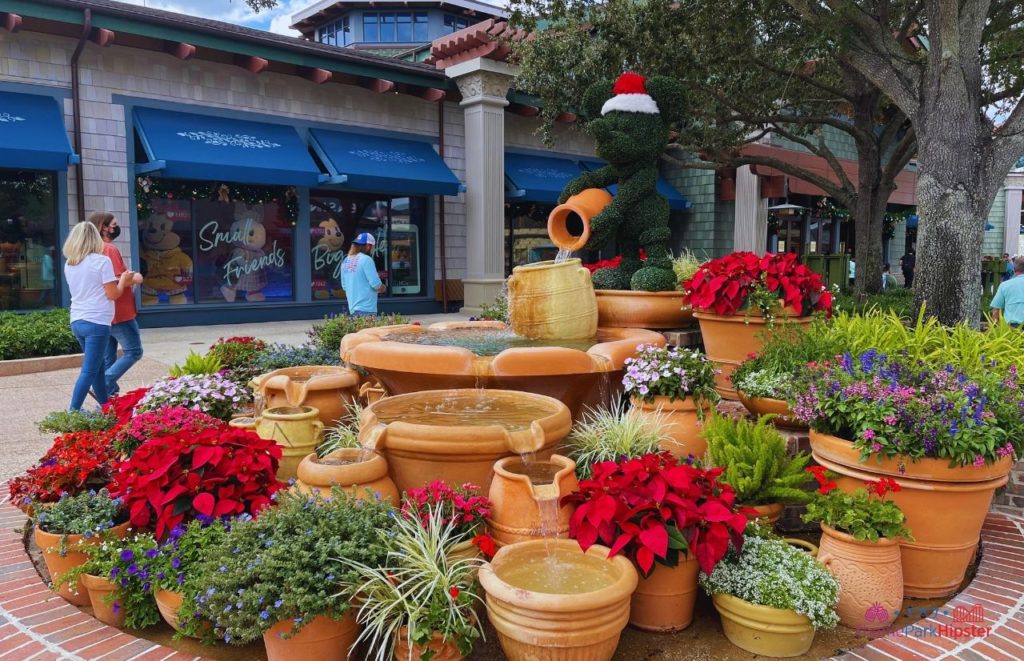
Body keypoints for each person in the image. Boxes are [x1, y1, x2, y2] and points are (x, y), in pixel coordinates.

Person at [62, 222, 137, 410]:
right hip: (97, 321)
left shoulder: (70, 263)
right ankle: (73, 411)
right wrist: (125, 281)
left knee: (96, 368)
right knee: (89, 370)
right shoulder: (102, 261)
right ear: (95, 238)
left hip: (78, 320)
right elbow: (113, 294)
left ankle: (106, 406)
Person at [88, 212, 143, 397]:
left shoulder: (90, 250)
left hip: (103, 312)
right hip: (121, 310)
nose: (116, 227)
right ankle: (103, 384)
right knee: (134, 351)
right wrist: (134, 277)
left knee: (108, 357)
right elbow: (118, 280)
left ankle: (110, 397)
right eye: (114, 224)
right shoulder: (109, 249)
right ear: (104, 227)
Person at [341, 232, 385, 316]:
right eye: (373, 246)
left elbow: (344, 286)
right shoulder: (366, 259)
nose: (373, 249)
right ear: (368, 246)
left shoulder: (345, 261)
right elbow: (376, 284)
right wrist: (383, 288)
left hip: (353, 309)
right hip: (367, 309)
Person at [991, 256, 1024, 327]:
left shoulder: (1004, 285)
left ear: (1014, 269)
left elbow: (995, 310)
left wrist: (995, 328)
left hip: (1011, 329)